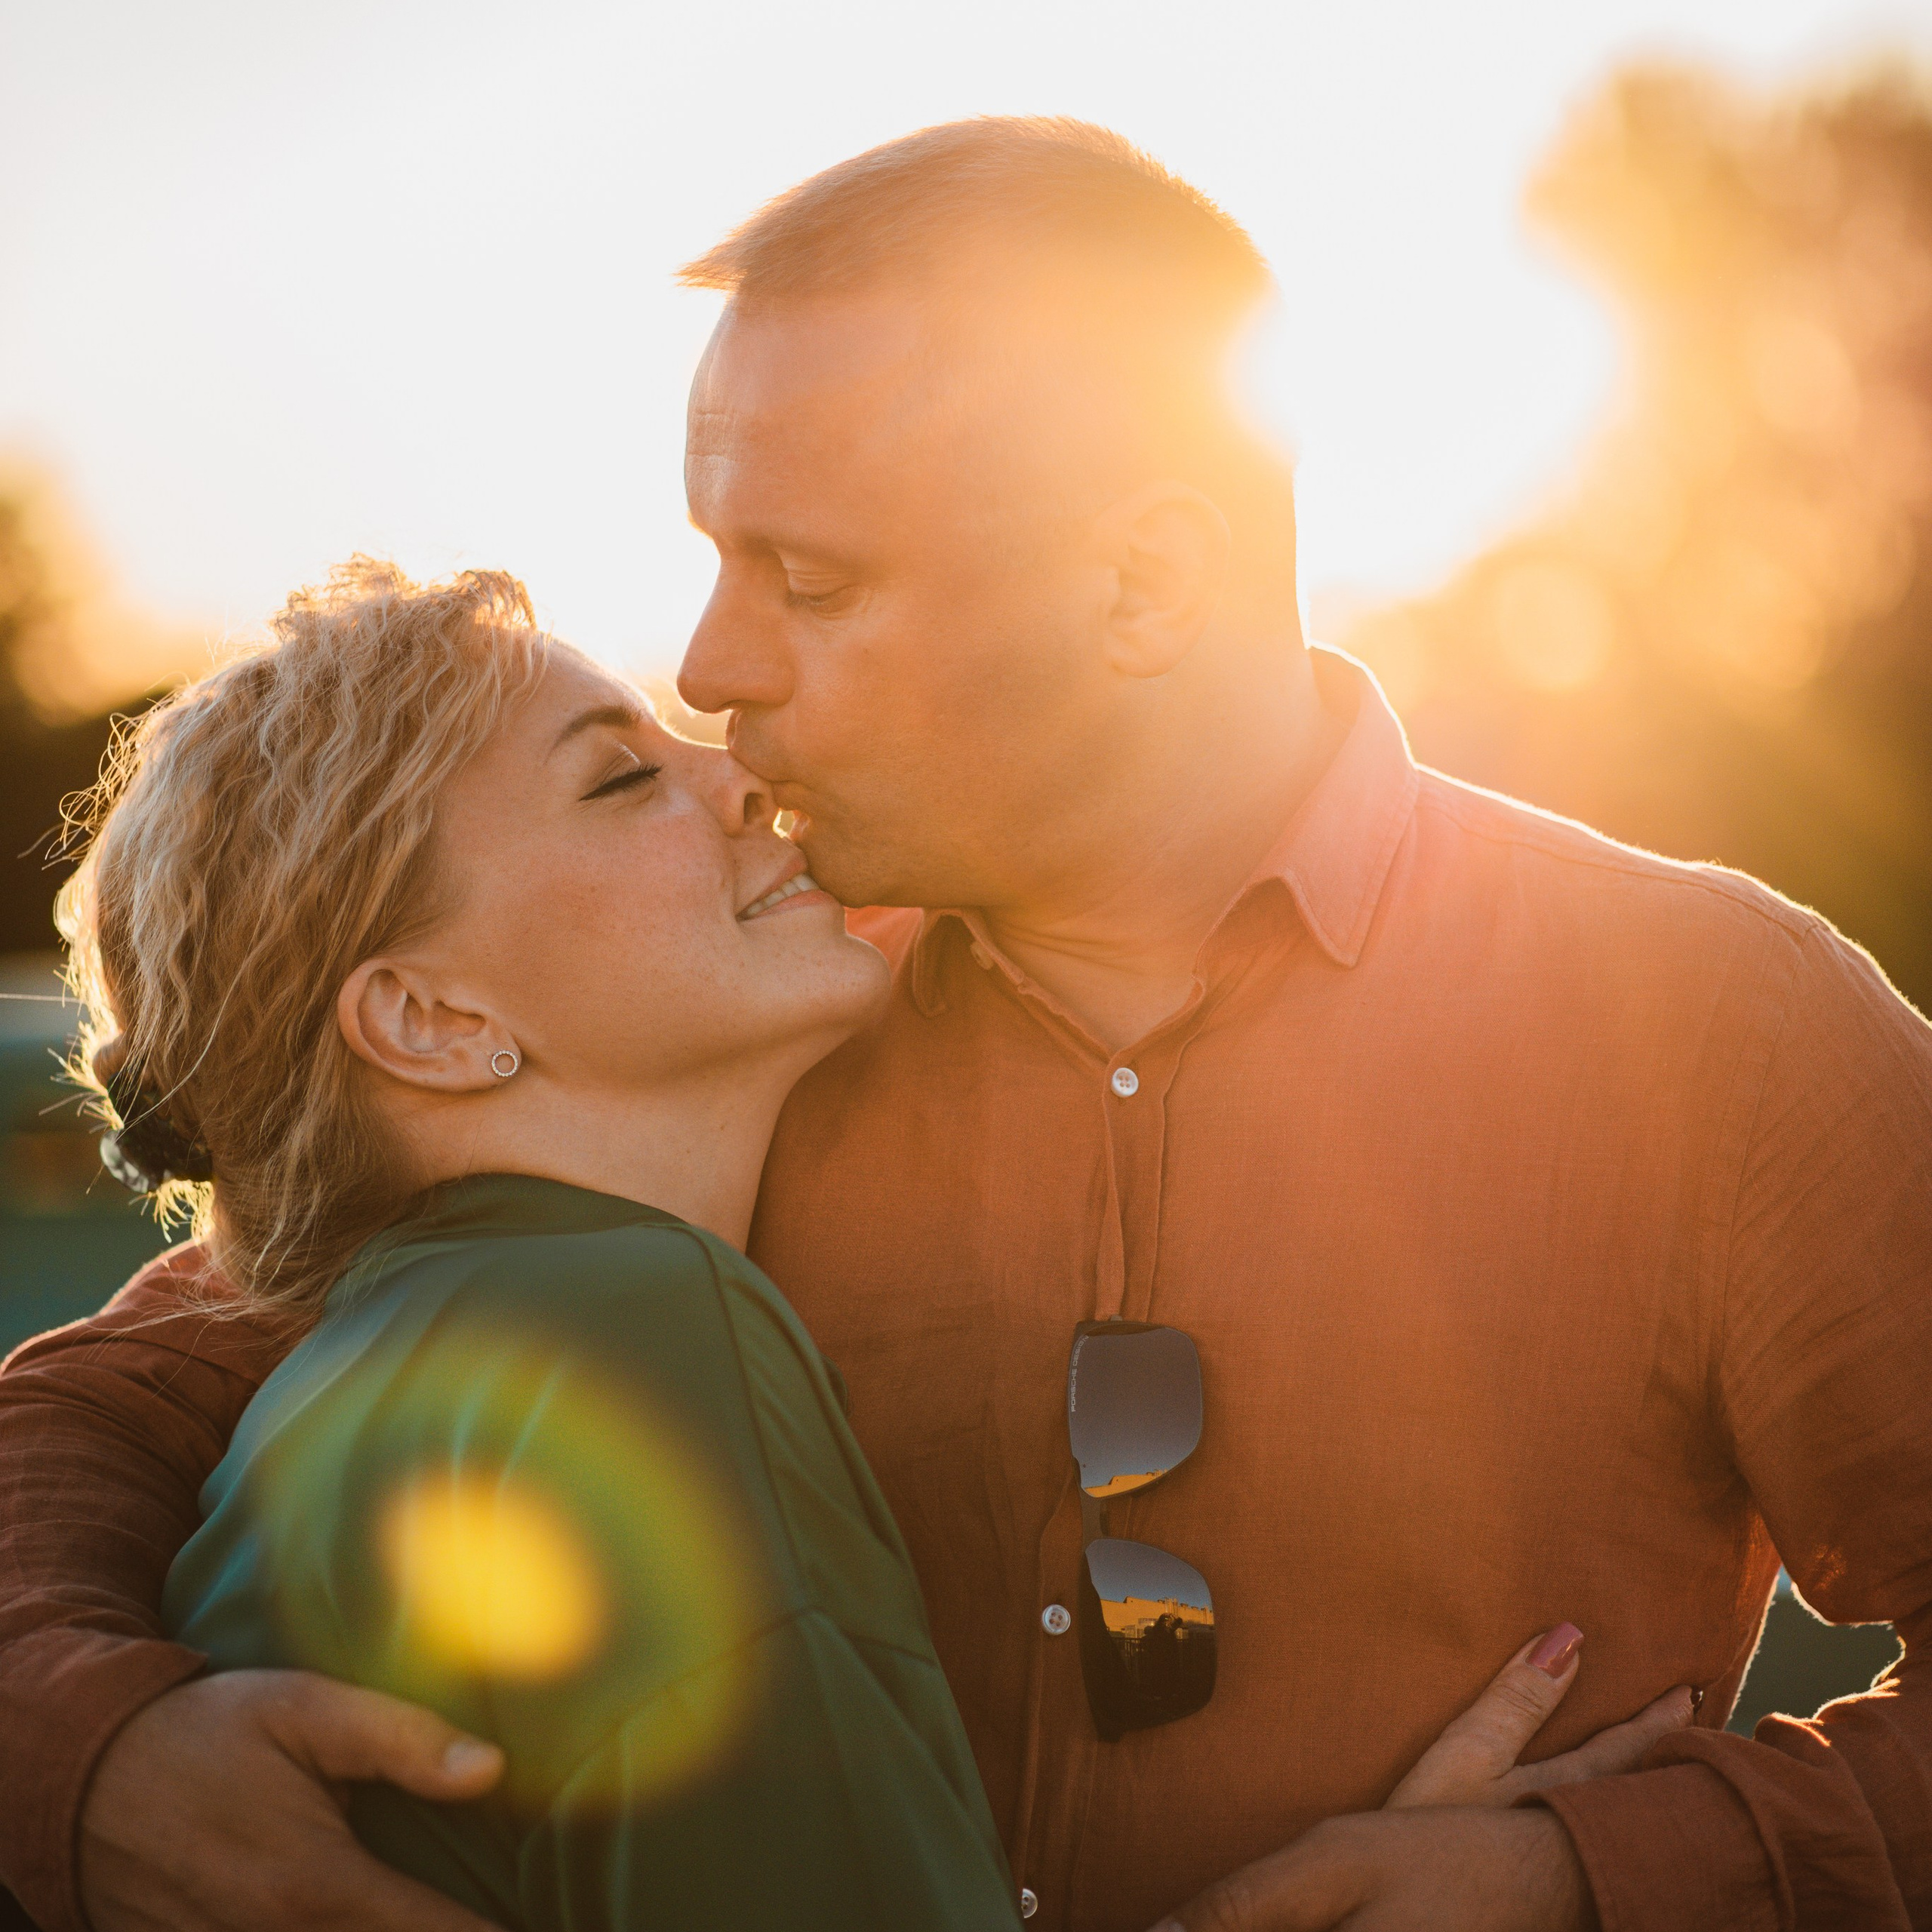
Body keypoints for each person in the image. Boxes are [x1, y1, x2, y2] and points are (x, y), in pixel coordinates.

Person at [3, 118, 1931, 1932]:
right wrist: (86, 1752)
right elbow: (109, 1403)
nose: (710, 662)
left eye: (808, 578)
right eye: (715, 551)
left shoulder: (1715, 1028)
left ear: (1143, 579)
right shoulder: (706, 1017)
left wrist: (1606, 1875)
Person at [19, 561, 1023, 1930]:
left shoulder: (355, 1384)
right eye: (622, 780)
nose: (740, 779)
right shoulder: (637, 1325)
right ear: (426, 1019)